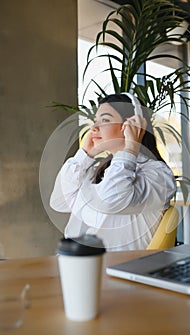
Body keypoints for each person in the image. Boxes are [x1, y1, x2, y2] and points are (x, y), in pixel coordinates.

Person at [50, 93, 176, 250]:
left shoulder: (158, 175)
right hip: (78, 264)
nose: (94, 128)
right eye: (95, 121)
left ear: (132, 125)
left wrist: (131, 147)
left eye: (105, 120)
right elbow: (59, 202)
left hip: (119, 269)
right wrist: (85, 154)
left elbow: (110, 201)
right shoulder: (99, 170)